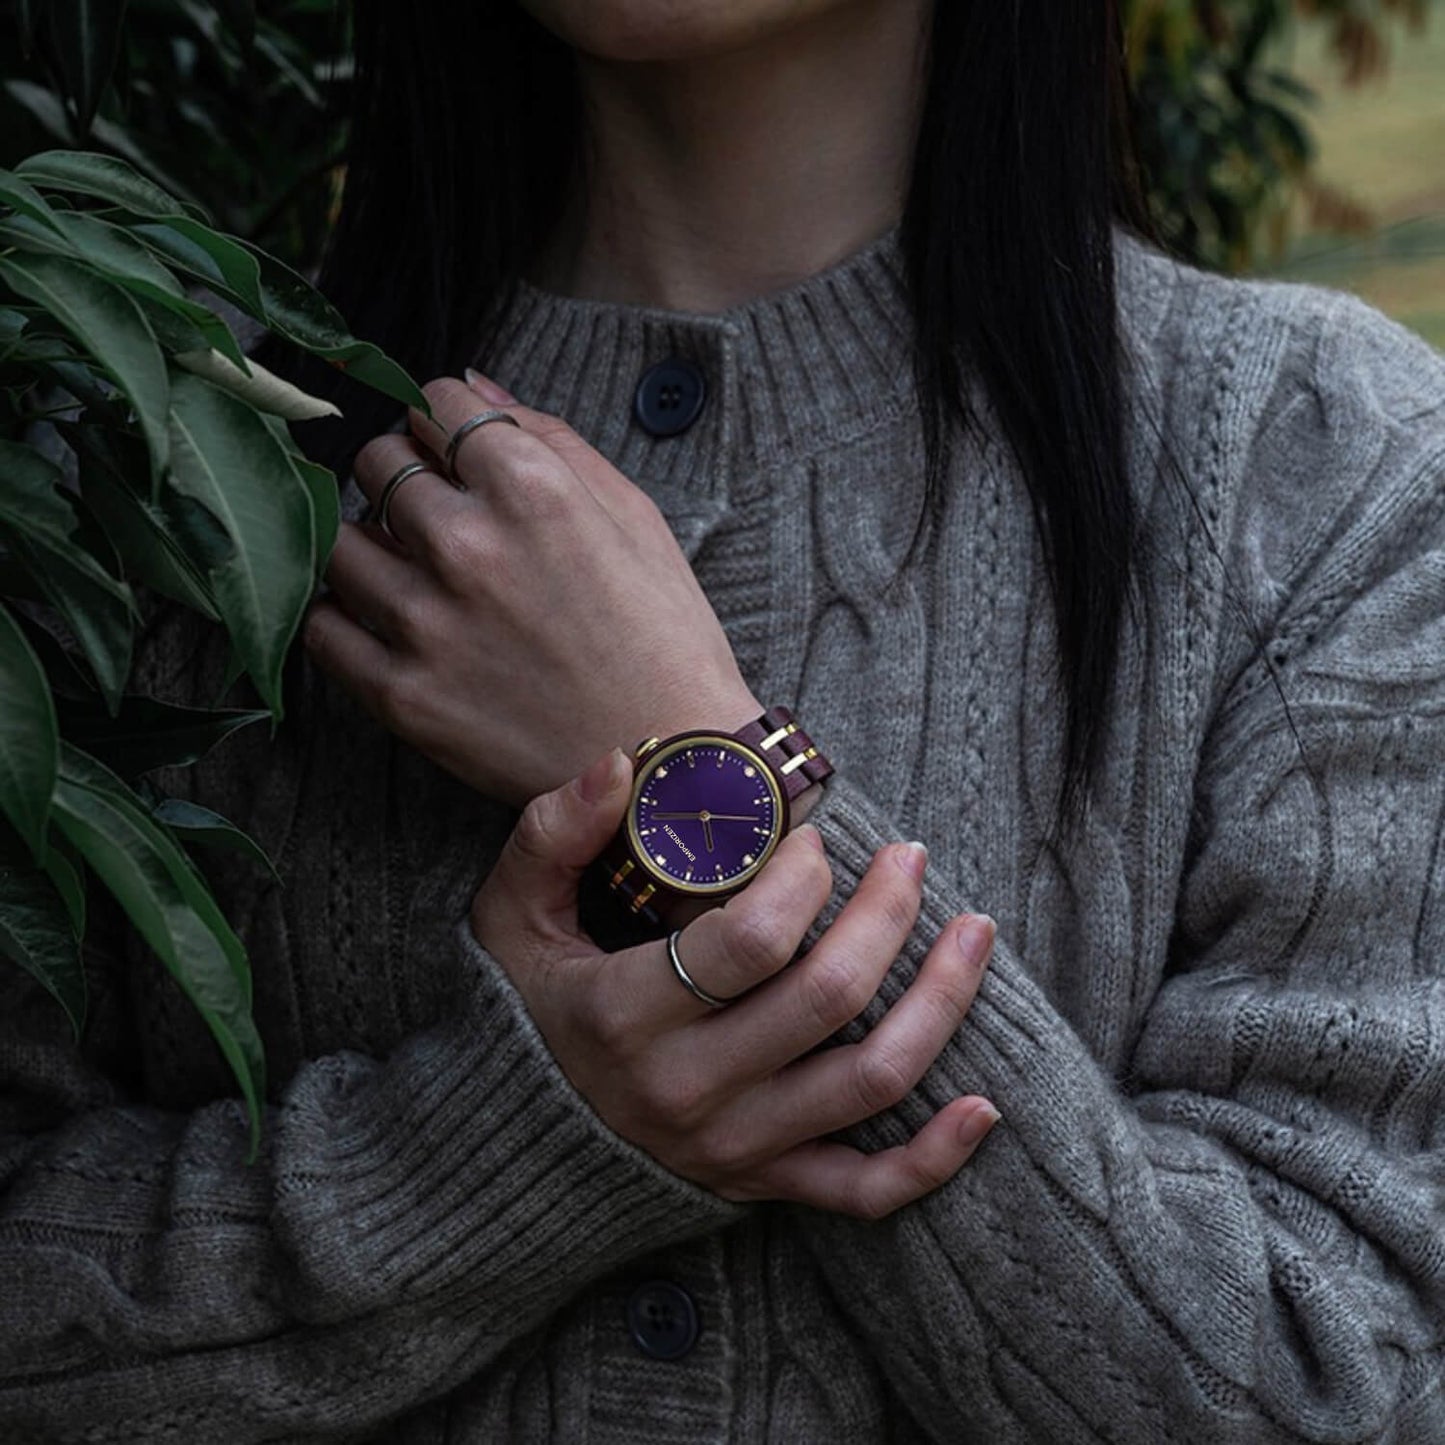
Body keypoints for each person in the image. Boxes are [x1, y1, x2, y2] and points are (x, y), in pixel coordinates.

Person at [3, 0, 1443, 1440]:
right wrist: (478, 1158)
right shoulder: (150, 473)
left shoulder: (1331, 475)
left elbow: (1332, 1393)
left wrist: (684, 754)